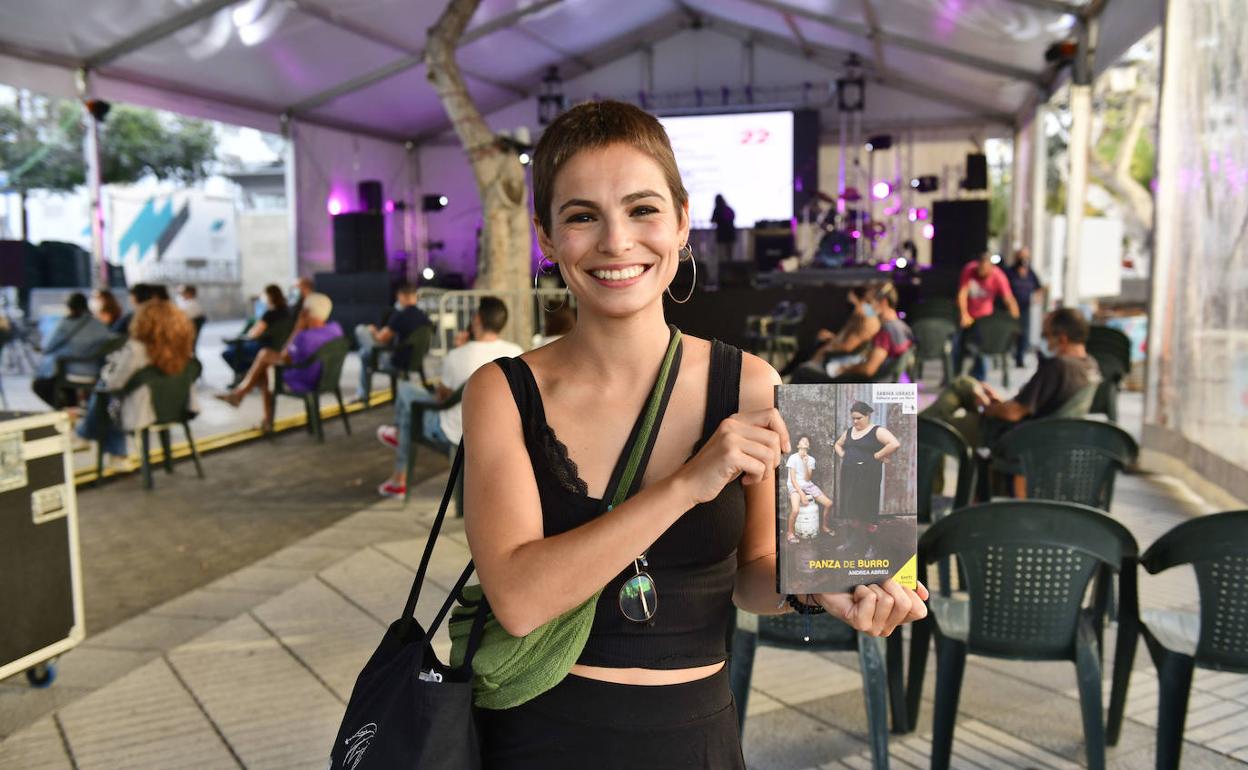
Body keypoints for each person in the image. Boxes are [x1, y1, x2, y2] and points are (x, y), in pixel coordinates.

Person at [451, 100, 926, 766]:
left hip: (696, 734)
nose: (616, 242)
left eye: (642, 210)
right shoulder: (502, 393)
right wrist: (686, 484)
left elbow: (752, 576)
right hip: (540, 736)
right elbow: (522, 601)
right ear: (548, 239)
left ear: (681, 221)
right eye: (583, 216)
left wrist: (821, 588)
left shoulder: (750, 385)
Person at [375, 296, 522, 498]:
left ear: (477, 319)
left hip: (456, 431)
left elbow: (441, 398)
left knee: (407, 397)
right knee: (410, 398)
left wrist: (460, 349)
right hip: (500, 431)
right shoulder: (516, 352)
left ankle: (399, 472)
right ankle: (398, 439)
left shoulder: (458, 356)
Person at [921, 307, 1101, 450]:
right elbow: (1030, 405)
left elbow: (1013, 413)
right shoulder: (1090, 365)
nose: (1044, 342)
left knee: (935, 431)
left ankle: (917, 430)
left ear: (1062, 339)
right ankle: (916, 426)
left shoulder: (1057, 366)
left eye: (1046, 335)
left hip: (1009, 434)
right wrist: (1001, 402)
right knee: (964, 384)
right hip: (1036, 430)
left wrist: (988, 408)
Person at [75, 298, 197, 464]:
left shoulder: (136, 349)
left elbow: (114, 383)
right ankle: (98, 442)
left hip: (143, 412)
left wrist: (107, 371)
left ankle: (92, 438)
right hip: (177, 409)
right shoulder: (185, 348)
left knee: (103, 391)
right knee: (107, 395)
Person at [215, 292, 342, 431]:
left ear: (305, 312)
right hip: (327, 379)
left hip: (305, 381)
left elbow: (284, 356)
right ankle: (241, 395)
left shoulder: (305, 337)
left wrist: (297, 328)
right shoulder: (335, 329)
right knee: (265, 359)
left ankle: (259, 413)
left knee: (266, 368)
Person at [834, 401, 901, 552]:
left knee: (868, 510)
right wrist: (845, 455)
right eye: (853, 418)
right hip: (849, 474)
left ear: (867, 415)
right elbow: (837, 444)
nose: (855, 421)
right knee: (851, 508)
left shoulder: (877, 431)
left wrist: (877, 455)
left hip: (868, 476)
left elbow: (894, 444)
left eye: (859, 418)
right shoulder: (850, 431)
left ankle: (871, 546)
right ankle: (851, 541)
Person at [32, 292, 114, 408]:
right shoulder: (99, 325)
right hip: (96, 371)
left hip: (67, 371)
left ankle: (65, 409)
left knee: (39, 385)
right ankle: (74, 408)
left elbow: (47, 346)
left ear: (69, 307)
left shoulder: (65, 324)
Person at [781, 284, 880, 379]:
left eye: (850, 298)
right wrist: (831, 338)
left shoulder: (864, 318)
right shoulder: (864, 313)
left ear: (854, 297)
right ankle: (785, 372)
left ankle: (785, 373)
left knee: (806, 356)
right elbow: (847, 339)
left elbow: (848, 347)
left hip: (840, 360)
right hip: (840, 353)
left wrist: (827, 347)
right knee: (808, 350)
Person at [354, 282, 432, 401]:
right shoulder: (424, 317)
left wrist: (372, 331)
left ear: (401, 296)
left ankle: (363, 395)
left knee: (360, 330)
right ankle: (363, 393)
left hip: (396, 361)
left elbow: (382, 338)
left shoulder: (401, 315)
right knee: (364, 354)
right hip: (415, 359)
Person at [824, 282, 913, 382]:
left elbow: (868, 369)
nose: (866, 307)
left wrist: (845, 369)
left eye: (869, 302)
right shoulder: (904, 328)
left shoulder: (886, 331)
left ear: (883, 302)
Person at [956, 251, 1020, 379]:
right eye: (980, 268)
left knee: (981, 348)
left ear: (991, 267)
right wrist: (964, 314)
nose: (981, 272)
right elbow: (962, 294)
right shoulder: (969, 270)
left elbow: (1009, 299)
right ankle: (954, 375)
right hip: (969, 315)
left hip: (985, 317)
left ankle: (979, 377)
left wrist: (1015, 319)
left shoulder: (998, 276)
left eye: (985, 269)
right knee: (959, 345)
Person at [222, 284, 290, 386]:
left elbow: (254, 334)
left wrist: (249, 332)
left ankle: (246, 376)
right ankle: (251, 376)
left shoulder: (269, 314)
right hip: (280, 346)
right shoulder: (287, 311)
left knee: (229, 352)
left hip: (265, 347)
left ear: (270, 296)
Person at [784, 436, 835, 542]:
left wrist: (806, 464)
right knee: (795, 510)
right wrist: (801, 494)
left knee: (829, 503)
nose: (805, 442)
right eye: (802, 440)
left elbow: (807, 478)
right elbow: (793, 480)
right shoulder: (793, 458)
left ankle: (824, 527)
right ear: (798, 445)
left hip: (808, 485)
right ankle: (790, 532)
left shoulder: (811, 459)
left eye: (807, 441)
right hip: (794, 485)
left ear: (809, 446)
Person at [1006, 247, 1045, 366]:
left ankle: (1020, 358)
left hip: (1025, 308)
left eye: (1025, 256)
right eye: (1021, 256)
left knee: (1024, 333)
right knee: (1010, 333)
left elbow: (1039, 288)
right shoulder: (1009, 272)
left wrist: (1037, 298)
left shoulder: (1031, 272)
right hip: (1010, 309)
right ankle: (1008, 355)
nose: (1023, 259)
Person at [708, 193, 736, 290]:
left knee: (721, 259)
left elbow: (712, 220)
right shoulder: (728, 208)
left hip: (721, 237)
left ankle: (723, 279)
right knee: (730, 258)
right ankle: (731, 278)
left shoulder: (717, 209)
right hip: (731, 236)